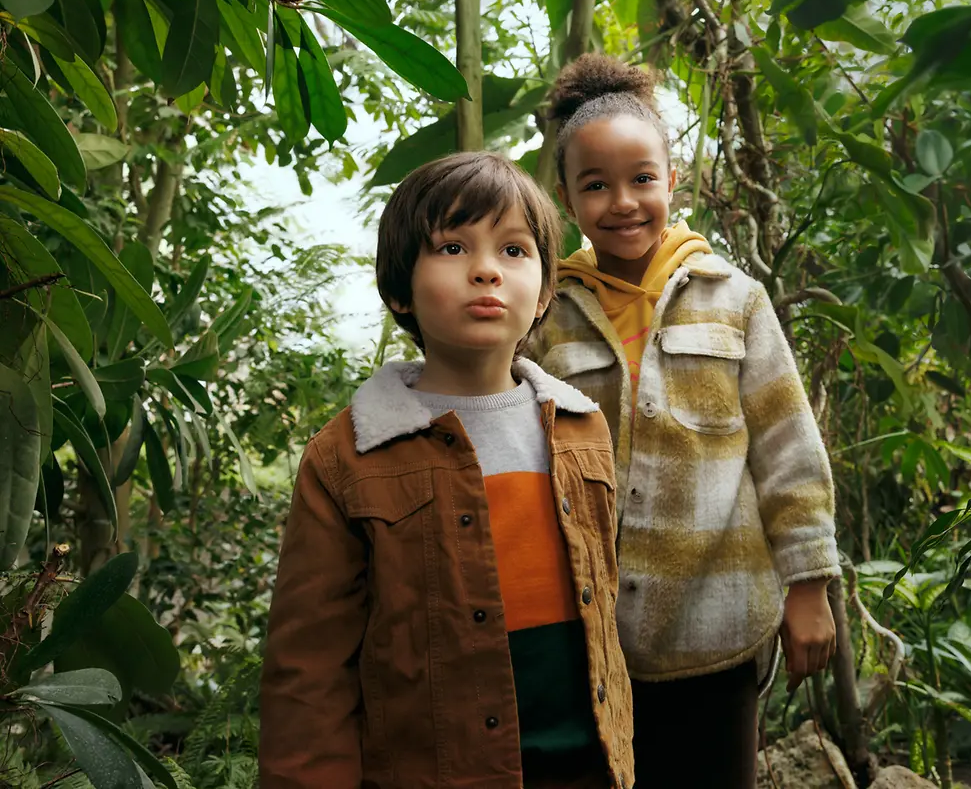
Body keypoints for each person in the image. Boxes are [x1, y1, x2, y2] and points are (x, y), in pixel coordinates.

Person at [260, 153, 634, 789]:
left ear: (544, 292)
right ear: (399, 288)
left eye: (514, 251)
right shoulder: (348, 456)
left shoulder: (581, 427)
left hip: (591, 767)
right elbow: (309, 666)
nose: (486, 269)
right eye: (453, 247)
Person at [527, 54, 840, 789]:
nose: (623, 202)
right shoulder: (548, 313)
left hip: (720, 631)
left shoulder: (735, 300)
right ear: (567, 200)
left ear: (672, 182)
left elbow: (787, 450)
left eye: (641, 179)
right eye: (595, 185)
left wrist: (809, 590)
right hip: (589, 640)